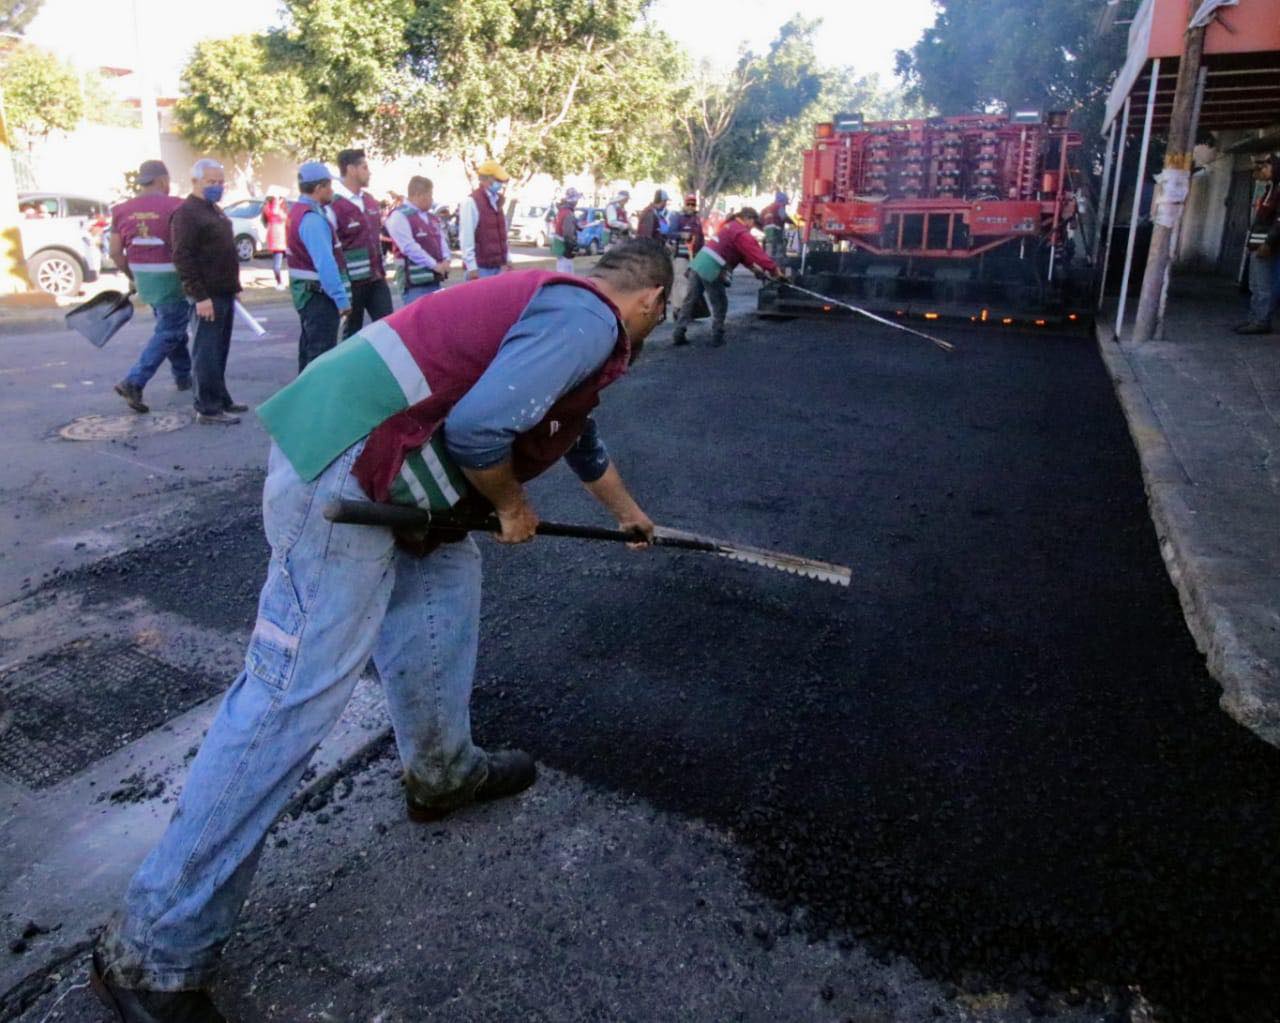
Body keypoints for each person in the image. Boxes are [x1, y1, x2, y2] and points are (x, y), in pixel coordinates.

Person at [89, 240, 673, 1023]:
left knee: (444, 577)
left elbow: (575, 435)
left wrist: (627, 514)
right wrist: (508, 505)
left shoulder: (560, 304)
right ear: (652, 301)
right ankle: (151, 949)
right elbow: (479, 431)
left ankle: (441, 771)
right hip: (348, 462)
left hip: (383, 461)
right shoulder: (591, 318)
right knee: (289, 694)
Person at [110, 160, 190, 414]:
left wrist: (132, 275)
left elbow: (114, 252)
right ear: (164, 181)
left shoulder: (121, 210)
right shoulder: (177, 205)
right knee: (171, 329)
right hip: (171, 278)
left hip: (144, 278)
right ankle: (134, 381)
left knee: (172, 327)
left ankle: (184, 376)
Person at [171, 158, 246, 425]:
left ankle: (221, 397)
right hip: (207, 295)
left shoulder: (214, 210)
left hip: (223, 291)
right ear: (195, 181)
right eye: (211, 182)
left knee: (219, 349)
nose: (217, 186)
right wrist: (200, 297)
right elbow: (183, 257)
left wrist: (234, 287)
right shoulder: (187, 213)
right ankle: (207, 408)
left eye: (220, 182)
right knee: (207, 351)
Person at [672, 207, 784, 348]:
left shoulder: (730, 227)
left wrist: (756, 271)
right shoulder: (740, 232)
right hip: (712, 267)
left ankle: (678, 333)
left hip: (698, 263)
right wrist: (774, 270)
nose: (752, 228)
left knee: (690, 300)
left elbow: (742, 256)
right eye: (753, 224)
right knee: (720, 303)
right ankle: (717, 336)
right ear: (748, 218)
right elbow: (756, 252)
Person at [286, 161, 352, 372]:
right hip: (318, 296)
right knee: (321, 356)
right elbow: (325, 264)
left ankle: (302, 401)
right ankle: (316, 403)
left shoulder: (298, 212)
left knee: (309, 350)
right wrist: (341, 299)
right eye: (329, 186)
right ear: (318, 188)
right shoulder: (312, 218)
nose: (332, 190)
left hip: (306, 294)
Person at [332, 148, 393, 337]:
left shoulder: (370, 201)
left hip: (376, 278)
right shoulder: (334, 204)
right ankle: (348, 367)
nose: (369, 172)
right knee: (352, 332)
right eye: (364, 167)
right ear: (351, 169)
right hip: (352, 282)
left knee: (389, 327)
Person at [385, 175, 452, 305]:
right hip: (414, 283)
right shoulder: (399, 216)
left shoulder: (431, 217)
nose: (432, 200)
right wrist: (434, 264)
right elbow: (409, 247)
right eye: (430, 195)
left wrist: (446, 259)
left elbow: (441, 240)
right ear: (419, 195)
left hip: (434, 279)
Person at [1236, 155, 1280, 335]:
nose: (1263, 171)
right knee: (1254, 284)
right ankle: (1254, 318)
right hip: (1257, 243)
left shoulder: (1278, 191)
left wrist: (1268, 243)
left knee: (1263, 286)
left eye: (1267, 167)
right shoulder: (1270, 188)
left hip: (1266, 245)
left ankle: (1261, 321)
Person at [459, 159, 513, 280]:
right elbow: (466, 236)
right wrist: (471, 266)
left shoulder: (497, 202)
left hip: (497, 266)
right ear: (487, 179)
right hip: (480, 267)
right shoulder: (471, 202)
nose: (500, 184)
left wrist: (507, 258)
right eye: (498, 180)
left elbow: (502, 235)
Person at [665, 193, 705, 314]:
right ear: (684, 204)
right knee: (680, 280)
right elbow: (669, 233)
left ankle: (687, 307)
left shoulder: (697, 220)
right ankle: (679, 308)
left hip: (694, 256)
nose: (691, 206)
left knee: (691, 282)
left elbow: (701, 238)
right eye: (688, 204)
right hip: (681, 254)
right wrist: (682, 235)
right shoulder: (677, 217)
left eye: (693, 204)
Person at [550, 187, 581, 273]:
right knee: (566, 274)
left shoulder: (561, 211)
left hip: (559, 247)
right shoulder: (568, 213)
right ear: (573, 201)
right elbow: (568, 234)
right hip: (565, 249)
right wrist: (573, 247)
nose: (577, 202)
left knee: (560, 271)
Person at [261, 194, 288, 289]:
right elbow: (276, 212)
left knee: (279, 264)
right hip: (279, 242)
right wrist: (278, 200)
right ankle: (280, 283)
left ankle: (280, 282)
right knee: (277, 265)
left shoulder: (272, 211)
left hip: (280, 242)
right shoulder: (274, 212)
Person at [759, 191, 794, 263]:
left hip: (767, 231)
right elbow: (784, 217)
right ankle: (777, 265)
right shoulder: (779, 206)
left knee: (769, 247)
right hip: (776, 230)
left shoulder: (765, 209)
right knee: (779, 248)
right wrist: (792, 222)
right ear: (782, 201)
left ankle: (767, 263)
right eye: (785, 203)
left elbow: (760, 220)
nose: (785, 206)